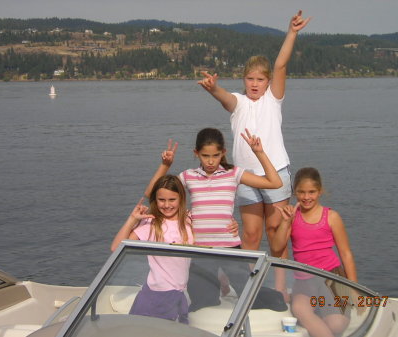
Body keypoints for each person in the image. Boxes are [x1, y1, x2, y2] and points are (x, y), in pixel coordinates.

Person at [197, 11, 311, 294]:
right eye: (250, 78)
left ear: (268, 80)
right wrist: (213, 89)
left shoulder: (273, 99)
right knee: (249, 235)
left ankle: (281, 289)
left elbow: (281, 64)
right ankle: (249, 288)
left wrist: (292, 32)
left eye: (261, 79)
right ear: (244, 79)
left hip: (276, 175)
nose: (255, 84)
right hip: (246, 177)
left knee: (276, 236)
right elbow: (223, 96)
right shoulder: (238, 102)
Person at [144, 127, 283, 311]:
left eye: (216, 155)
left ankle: (276, 295)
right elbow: (151, 194)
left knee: (250, 297)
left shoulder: (233, 173)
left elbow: (275, 183)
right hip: (200, 251)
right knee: (203, 303)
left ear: (223, 153)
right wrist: (165, 165)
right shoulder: (188, 176)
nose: (210, 161)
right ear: (196, 153)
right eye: (205, 156)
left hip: (230, 248)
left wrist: (259, 152)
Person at [274, 167, 358, 337]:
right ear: (294, 192)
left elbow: (346, 253)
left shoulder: (331, 217)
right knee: (299, 308)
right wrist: (285, 222)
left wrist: (354, 288)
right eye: (301, 192)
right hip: (304, 281)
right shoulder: (292, 217)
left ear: (320, 191)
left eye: (311, 192)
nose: (306, 197)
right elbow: (276, 249)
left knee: (335, 325)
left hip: (332, 279)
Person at [110, 175, 194, 324]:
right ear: (155, 200)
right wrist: (132, 219)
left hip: (180, 293)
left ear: (181, 198)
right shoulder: (151, 223)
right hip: (156, 294)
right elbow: (116, 247)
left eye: (172, 200)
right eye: (162, 200)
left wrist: (232, 227)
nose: (167, 205)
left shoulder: (190, 220)